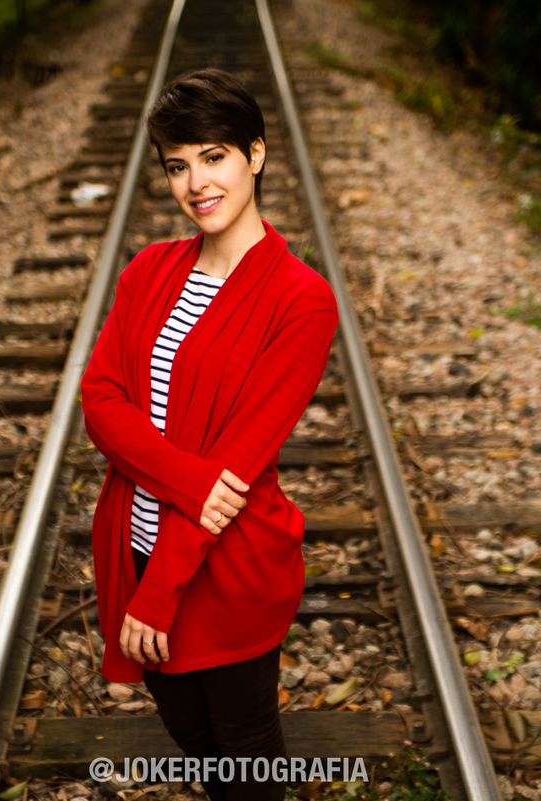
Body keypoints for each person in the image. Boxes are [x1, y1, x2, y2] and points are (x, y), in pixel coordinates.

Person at [80, 67, 339, 801]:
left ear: (254, 155)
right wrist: (192, 484)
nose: (197, 181)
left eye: (214, 156)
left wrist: (158, 594)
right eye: (177, 165)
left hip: (228, 568)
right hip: (134, 544)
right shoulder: (149, 269)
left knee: (245, 755)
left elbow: (241, 458)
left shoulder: (302, 301)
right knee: (192, 738)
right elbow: (100, 399)